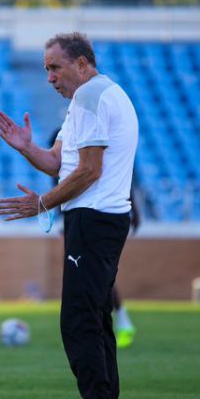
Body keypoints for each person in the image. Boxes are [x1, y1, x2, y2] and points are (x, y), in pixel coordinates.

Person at [0, 32, 138, 399]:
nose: (50, 78)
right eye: (46, 70)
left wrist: (42, 203)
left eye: (55, 68)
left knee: (77, 322)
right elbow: (59, 163)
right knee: (96, 321)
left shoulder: (91, 97)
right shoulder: (88, 99)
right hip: (97, 221)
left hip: (93, 220)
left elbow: (89, 171)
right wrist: (28, 148)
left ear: (82, 64)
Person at [47, 128, 139, 349]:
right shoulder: (67, 161)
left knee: (96, 274)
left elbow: (121, 181)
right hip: (77, 221)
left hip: (95, 219)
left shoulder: (92, 157)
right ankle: (113, 320)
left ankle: (110, 321)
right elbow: (60, 191)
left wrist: (134, 210)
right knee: (95, 275)